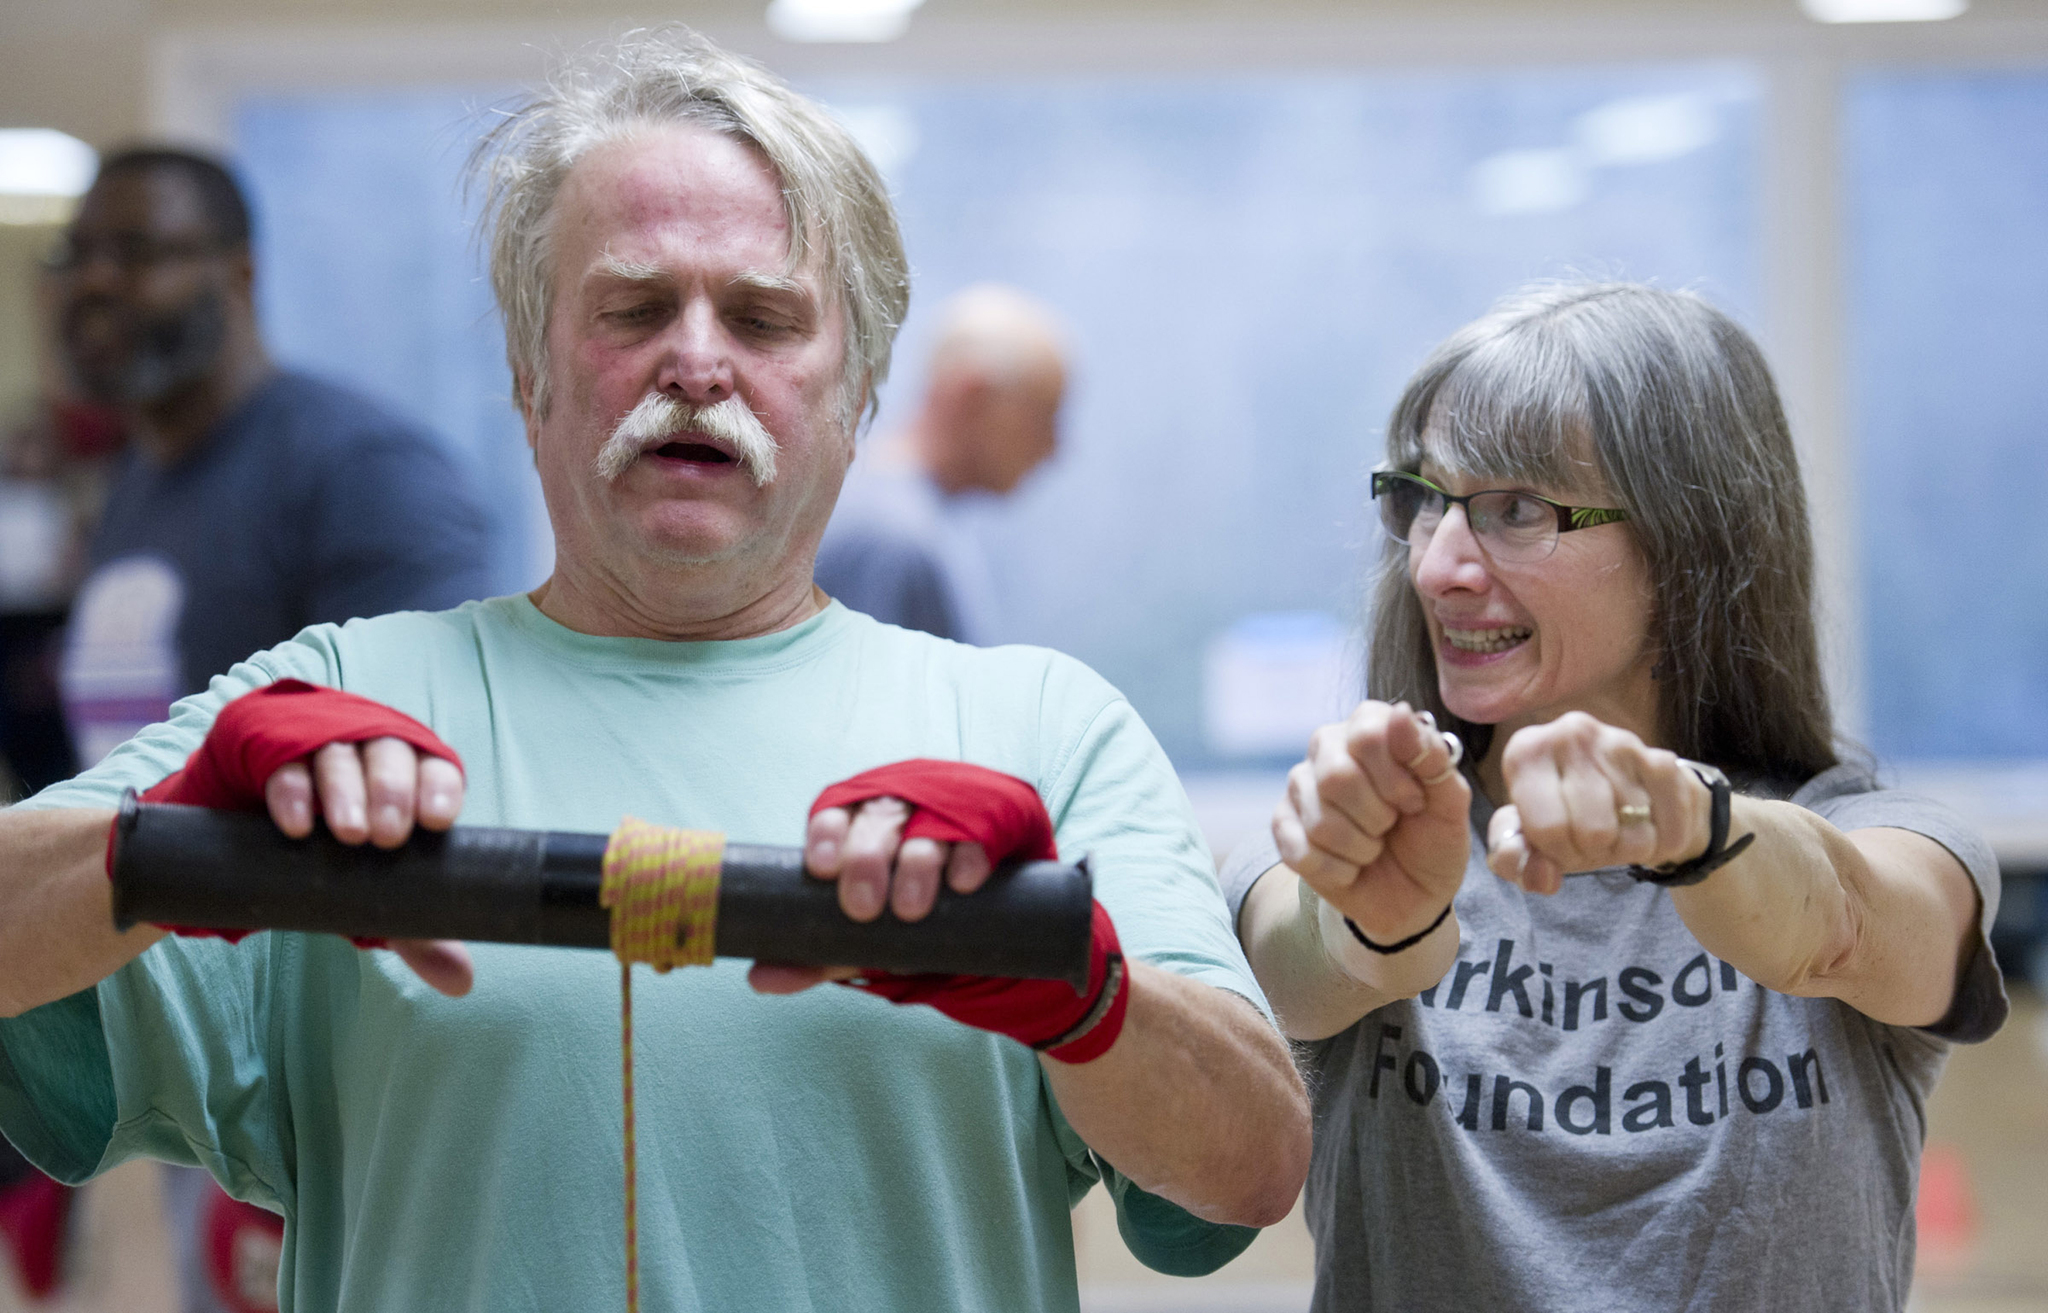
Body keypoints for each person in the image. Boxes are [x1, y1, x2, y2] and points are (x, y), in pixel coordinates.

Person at [0, 29, 1308, 1313]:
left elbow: (1252, 1164)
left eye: (763, 315)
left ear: (855, 391)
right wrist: (152, 845)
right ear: (528, 372)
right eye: (631, 309)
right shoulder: (346, 713)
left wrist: (1083, 993)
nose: (695, 360)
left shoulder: (1043, 730)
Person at [1223, 283, 2005, 1311]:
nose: (1438, 564)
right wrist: (1375, 916)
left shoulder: (1893, 838)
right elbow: (1300, 961)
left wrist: (1689, 825)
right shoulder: (1337, 837)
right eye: (1422, 499)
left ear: (1689, 546)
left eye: (1515, 509)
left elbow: (1842, 919)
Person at [49, 146, 495, 766]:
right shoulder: (135, 482)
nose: (93, 281)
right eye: (76, 255)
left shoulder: (366, 469)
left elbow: (418, 749)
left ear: (241, 275)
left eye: (138, 252)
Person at [815, 282, 1065, 641]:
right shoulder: (892, 539)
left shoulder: (896, 510)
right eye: (1043, 416)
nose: (1052, 448)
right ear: (973, 396)